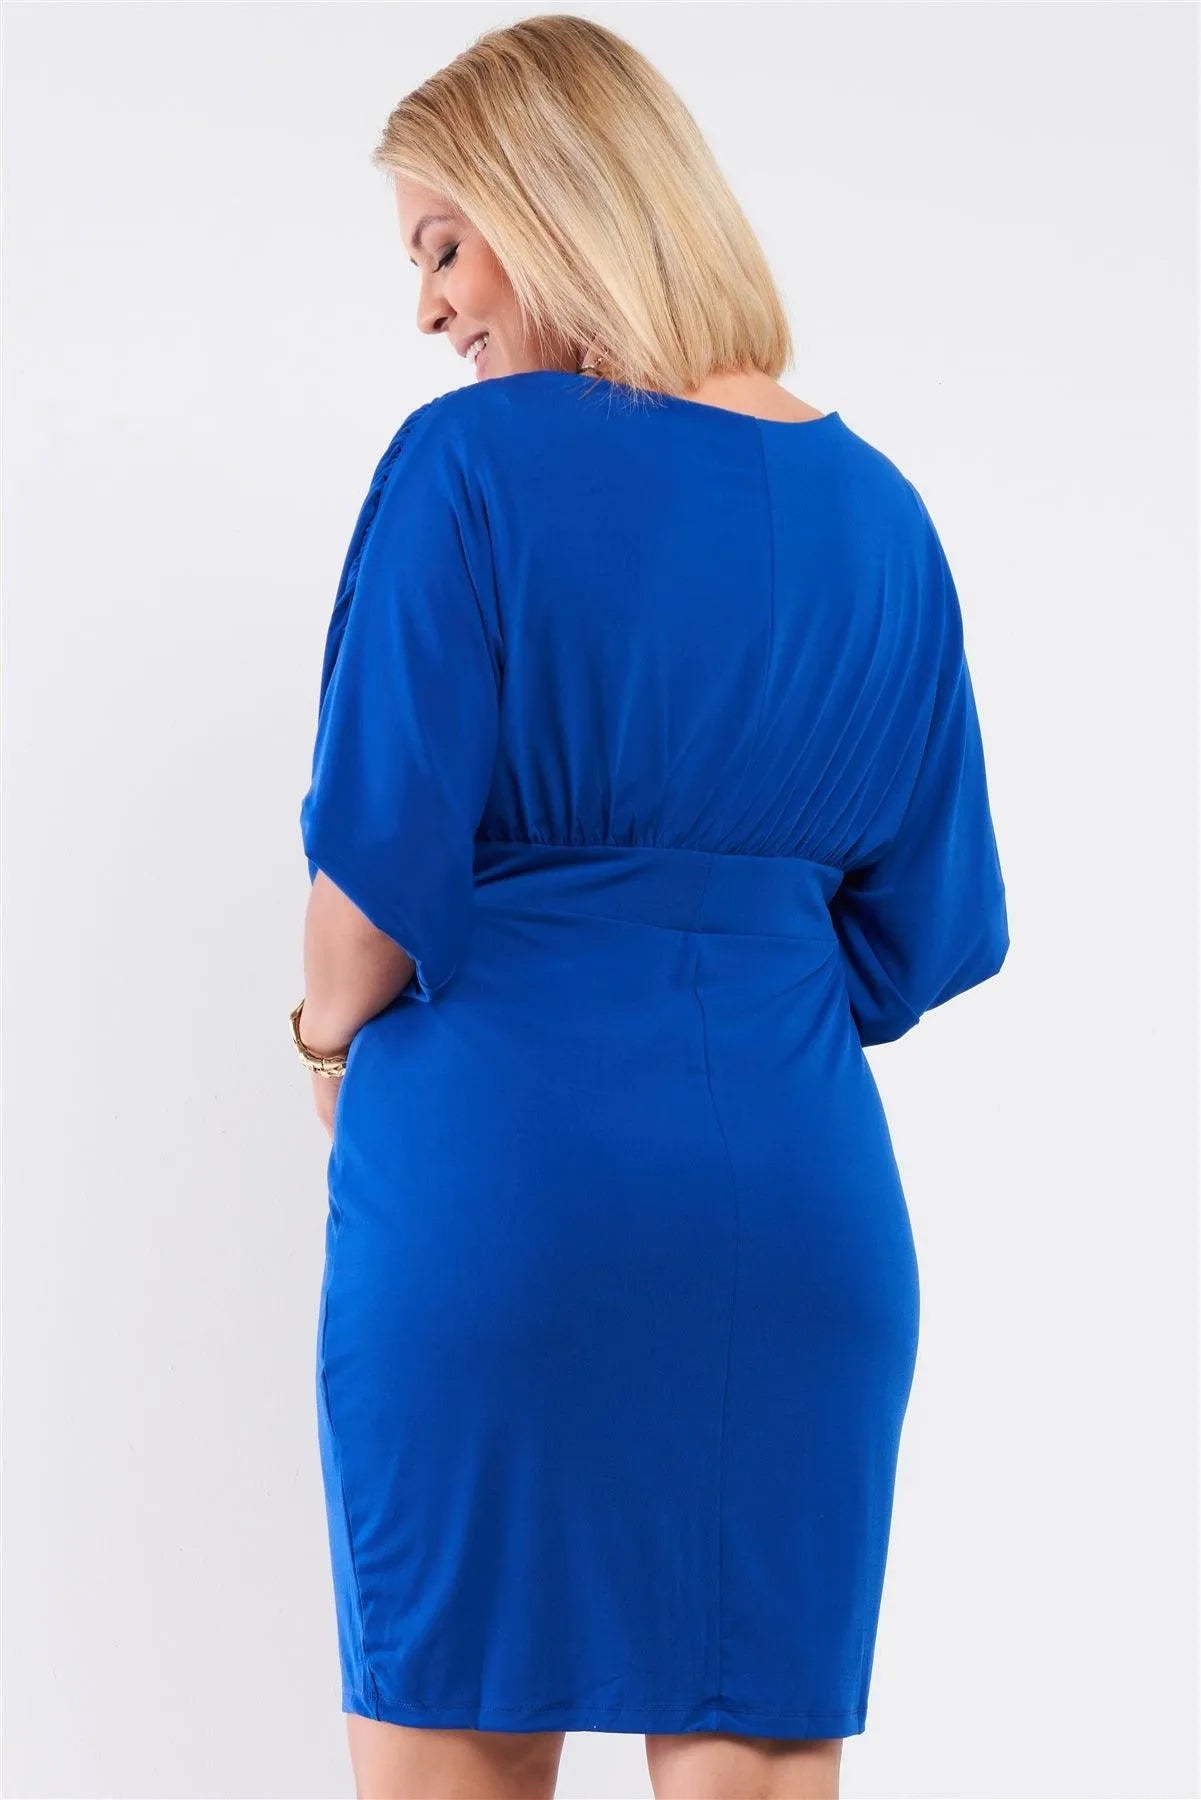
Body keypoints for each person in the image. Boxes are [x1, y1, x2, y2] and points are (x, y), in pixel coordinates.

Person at [291, 16, 1010, 1800]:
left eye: (443, 244)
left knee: (455, 1736)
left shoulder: (468, 467)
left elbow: (367, 894)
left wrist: (318, 1051)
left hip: (498, 1191)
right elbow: (917, 932)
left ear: (558, 204)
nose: (427, 307)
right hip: (793, 1212)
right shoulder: (880, 515)